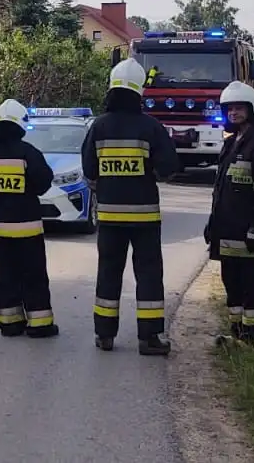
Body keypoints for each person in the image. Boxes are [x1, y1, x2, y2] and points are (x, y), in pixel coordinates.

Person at [82, 57, 179, 355]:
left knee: (108, 273)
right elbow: (169, 168)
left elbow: (89, 170)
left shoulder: (98, 127)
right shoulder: (151, 128)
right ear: (139, 92)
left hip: (109, 218)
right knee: (148, 274)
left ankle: (104, 335)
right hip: (144, 218)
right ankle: (149, 338)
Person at [205, 80, 254, 344]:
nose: (233, 113)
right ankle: (237, 334)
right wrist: (212, 224)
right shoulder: (231, 143)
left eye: (239, 108)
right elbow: (221, 191)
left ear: (252, 109)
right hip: (230, 236)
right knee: (233, 287)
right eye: (230, 109)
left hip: (252, 236)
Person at [0, 99, 58, 337]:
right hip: (28, 229)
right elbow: (43, 182)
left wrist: (0, 200)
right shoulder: (28, 153)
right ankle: (40, 325)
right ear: (20, 125)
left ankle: (10, 323)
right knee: (34, 276)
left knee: (5, 276)